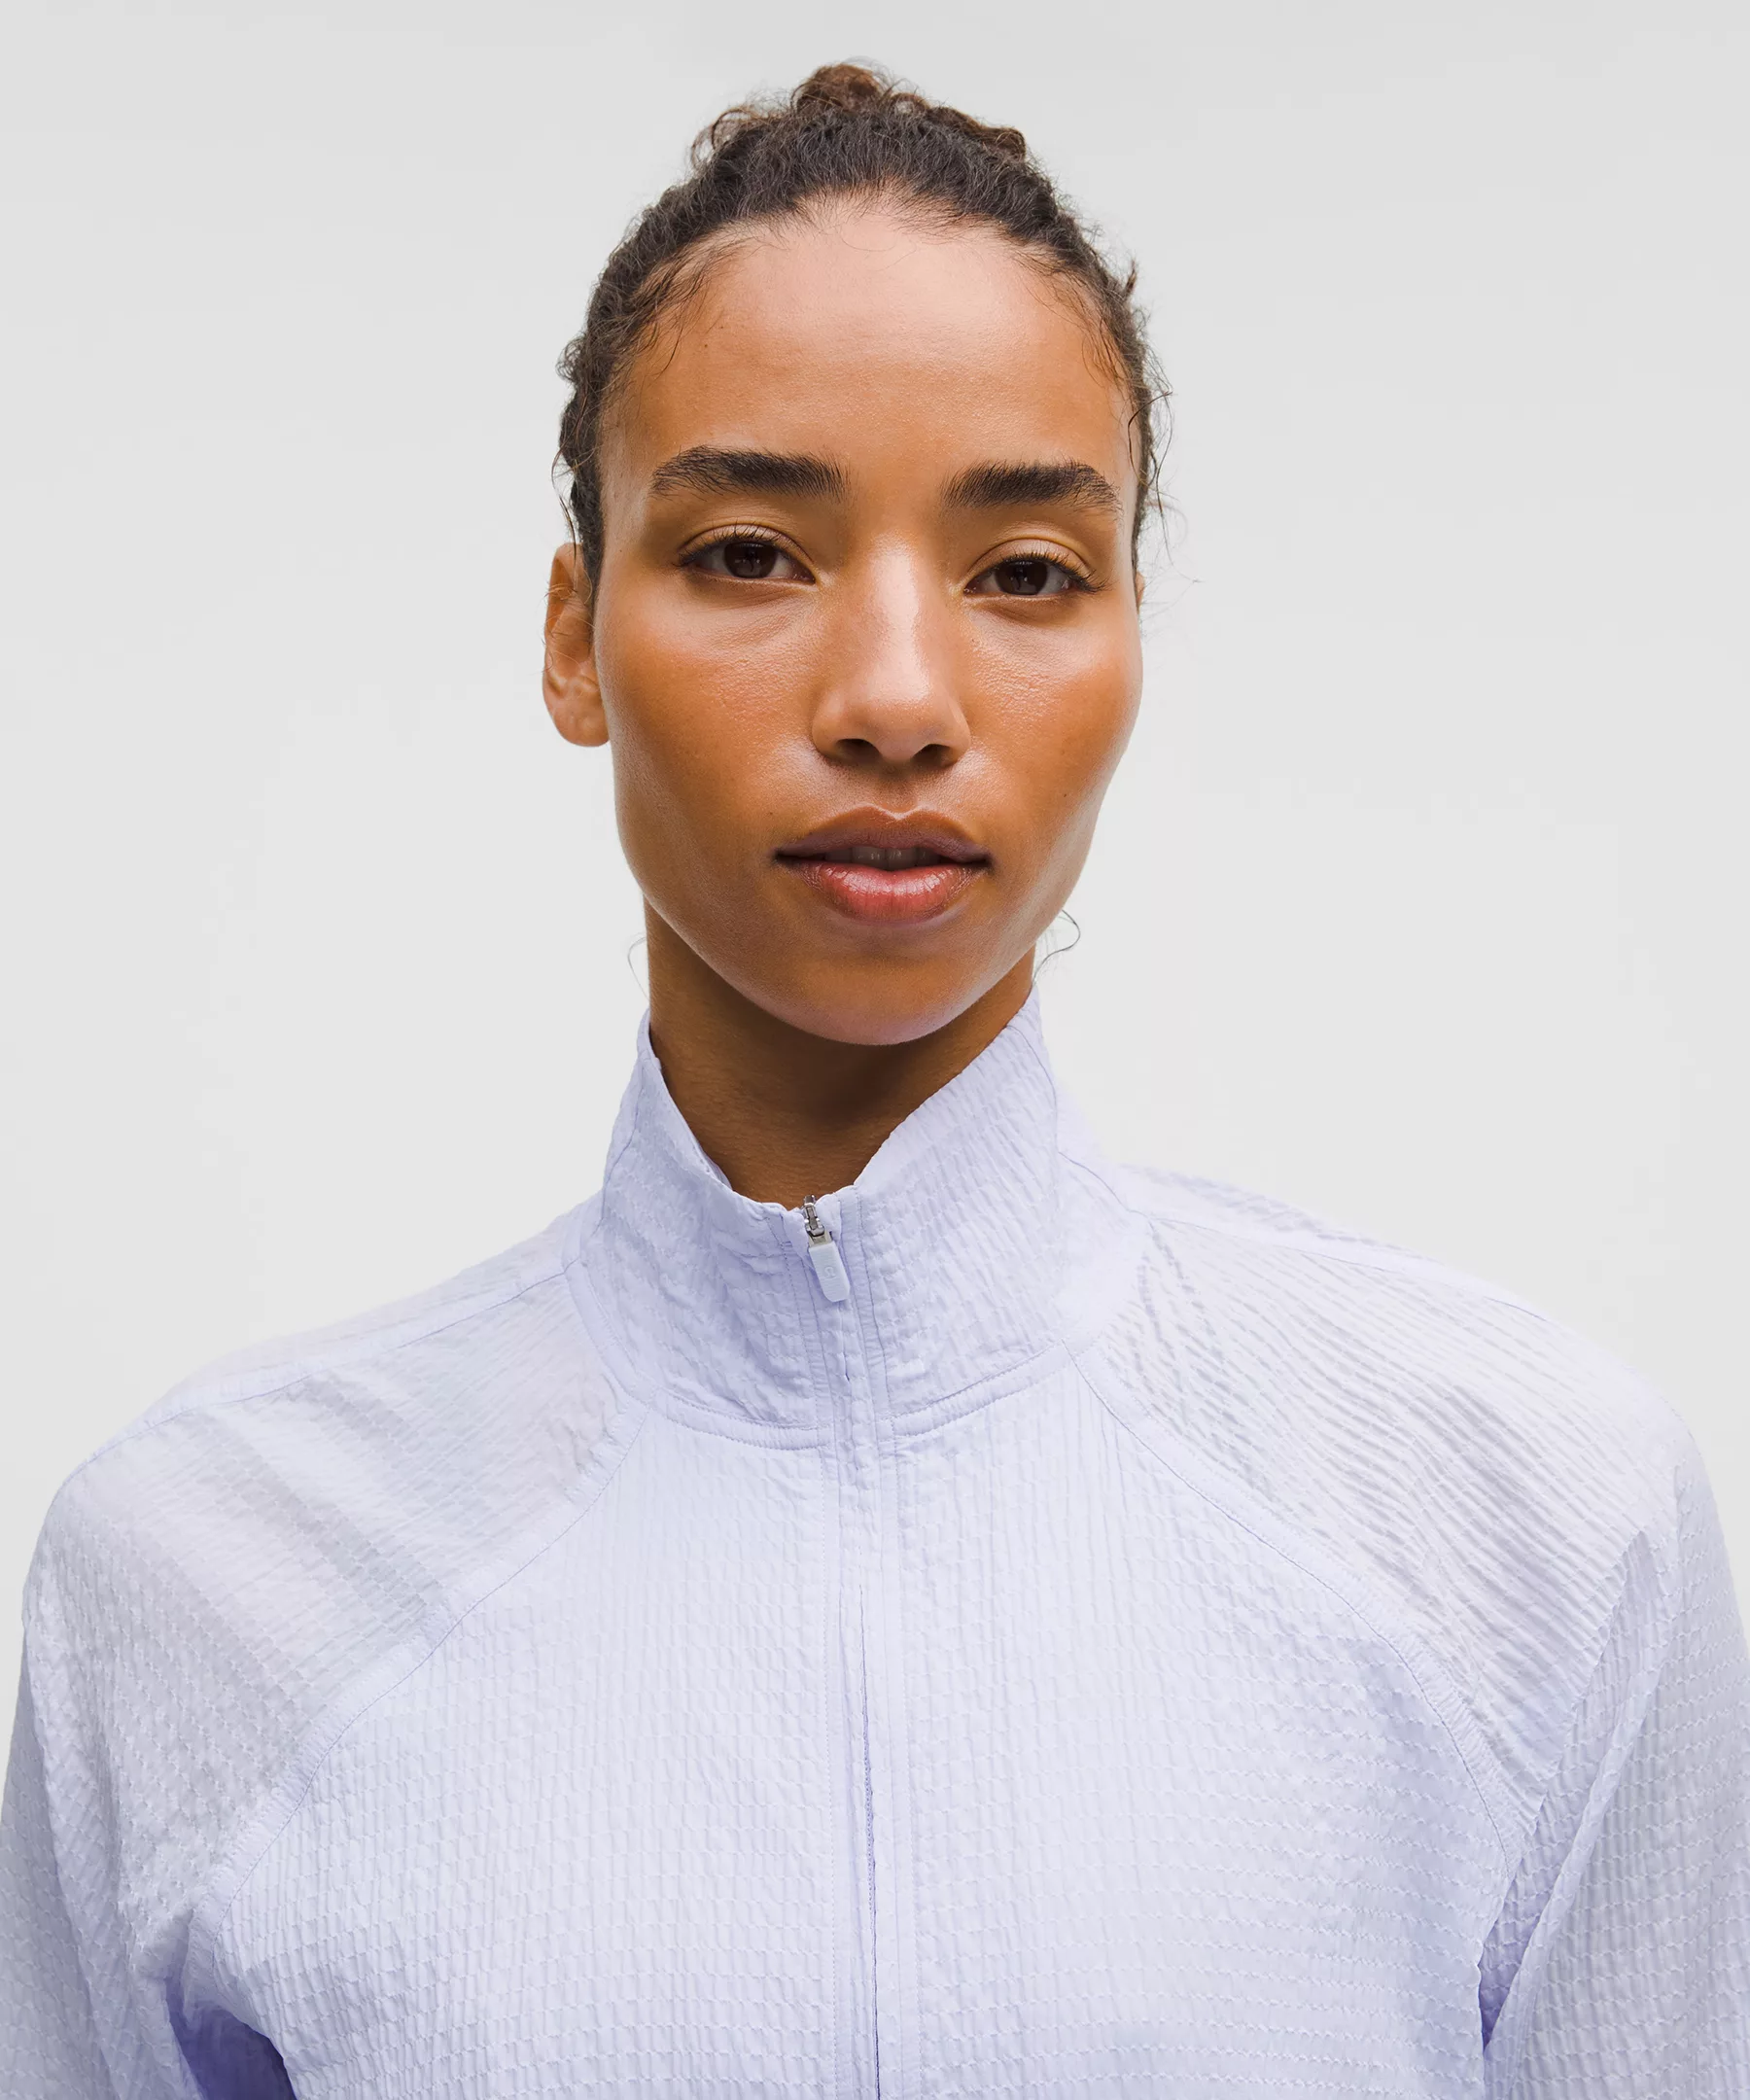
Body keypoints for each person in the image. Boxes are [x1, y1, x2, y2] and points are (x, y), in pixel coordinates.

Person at [2, 59, 1746, 2100]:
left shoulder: (1536, 1531)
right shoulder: (198, 1581)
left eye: (1027, 571)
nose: (899, 700)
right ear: (574, 639)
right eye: (752, 551)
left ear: (1132, 639)